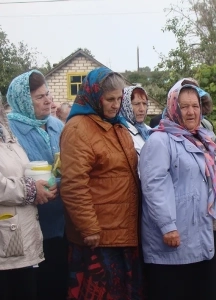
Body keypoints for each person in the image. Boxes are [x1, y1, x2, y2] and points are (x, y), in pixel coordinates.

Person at [139, 84, 216, 300]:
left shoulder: (202, 138)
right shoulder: (159, 140)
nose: (191, 112)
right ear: (173, 108)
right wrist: (167, 226)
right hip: (173, 239)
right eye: (184, 106)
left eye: (195, 106)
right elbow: (154, 186)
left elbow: (209, 180)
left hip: (201, 235)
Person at [60, 67, 144, 299]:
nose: (116, 105)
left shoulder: (117, 125)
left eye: (119, 98)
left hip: (122, 231)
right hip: (99, 237)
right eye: (110, 99)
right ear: (95, 96)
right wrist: (89, 228)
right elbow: (74, 184)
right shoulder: (78, 129)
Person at [6, 70, 68, 300]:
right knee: (38, 287)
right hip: (32, 224)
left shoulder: (56, 125)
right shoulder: (11, 131)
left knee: (61, 282)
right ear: (23, 100)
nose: (48, 101)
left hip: (63, 221)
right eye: (39, 97)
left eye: (48, 94)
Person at [0, 99, 56, 300]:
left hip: (21, 238)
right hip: (6, 241)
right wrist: (31, 189)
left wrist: (43, 183)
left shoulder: (5, 133)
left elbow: (18, 170)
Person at [121, 86, 151, 155]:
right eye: (137, 104)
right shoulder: (121, 133)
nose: (142, 109)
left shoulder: (149, 131)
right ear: (126, 105)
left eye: (144, 104)